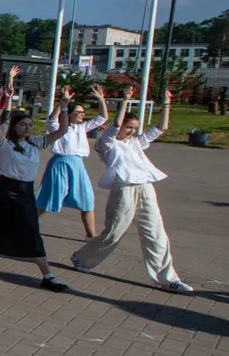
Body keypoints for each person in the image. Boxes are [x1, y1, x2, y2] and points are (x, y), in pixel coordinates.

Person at [70, 90, 192, 293]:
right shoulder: (106, 144)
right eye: (129, 127)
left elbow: (162, 127)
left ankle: (167, 278)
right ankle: (81, 258)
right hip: (123, 188)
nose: (131, 132)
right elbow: (115, 125)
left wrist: (167, 103)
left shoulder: (136, 143)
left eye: (134, 128)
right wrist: (125, 101)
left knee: (156, 233)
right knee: (114, 232)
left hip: (145, 187)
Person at [0, 86, 71, 292]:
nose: (27, 127)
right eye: (23, 124)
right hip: (4, 189)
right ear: (14, 127)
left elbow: (62, 131)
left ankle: (48, 276)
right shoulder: (3, 144)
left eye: (30, 124)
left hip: (25, 192)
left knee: (32, 230)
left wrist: (64, 108)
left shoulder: (36, 143)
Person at [36, 86, 109, 239]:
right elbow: (51, 119)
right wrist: (62, 104)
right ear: (69, 114)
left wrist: (101, 100)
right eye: (78, 113)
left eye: (83, 113)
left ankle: (91, 235)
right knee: (49, 198)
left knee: (87, 198)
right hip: (60, 164)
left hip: (77, 165)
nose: (82, 115)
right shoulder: (58, 127)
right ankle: (26, 225)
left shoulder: (82, 128)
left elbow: (102, 118)